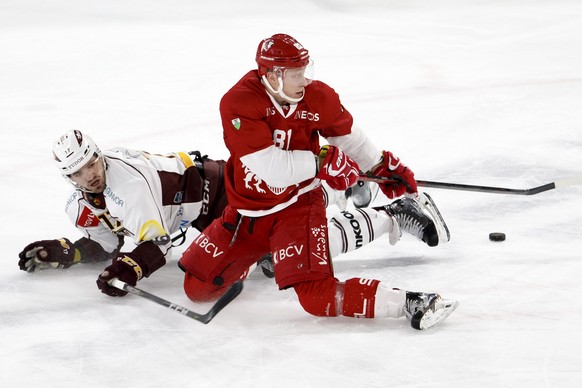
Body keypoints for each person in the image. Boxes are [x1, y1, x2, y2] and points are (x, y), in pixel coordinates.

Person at [178, 33, 457, 330]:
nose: (304, 80)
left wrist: (379, 166)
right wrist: (322, 163)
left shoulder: (317, 96)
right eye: (296, 73)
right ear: (272, 75)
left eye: (305, 70)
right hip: (246, 212)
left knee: (316, 298)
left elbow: (348, 138)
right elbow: (270, 168)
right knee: (198, 289)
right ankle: (262, 255)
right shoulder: (239, 102)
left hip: (296, 209)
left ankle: (409, 301)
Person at [18, 130, 420, 295]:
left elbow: (159, 242)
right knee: (275, 249)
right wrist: (69, 252)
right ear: (67, 176)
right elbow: (107, 246)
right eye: (78, 172)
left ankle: (387, 213)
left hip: (221, 193)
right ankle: (345, 189)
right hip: (202, 211)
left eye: (91, 164)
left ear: (98, 156)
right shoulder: (80, 204)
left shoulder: (130, 186)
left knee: (284, 256)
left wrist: (130, 269)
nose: (89, 175)